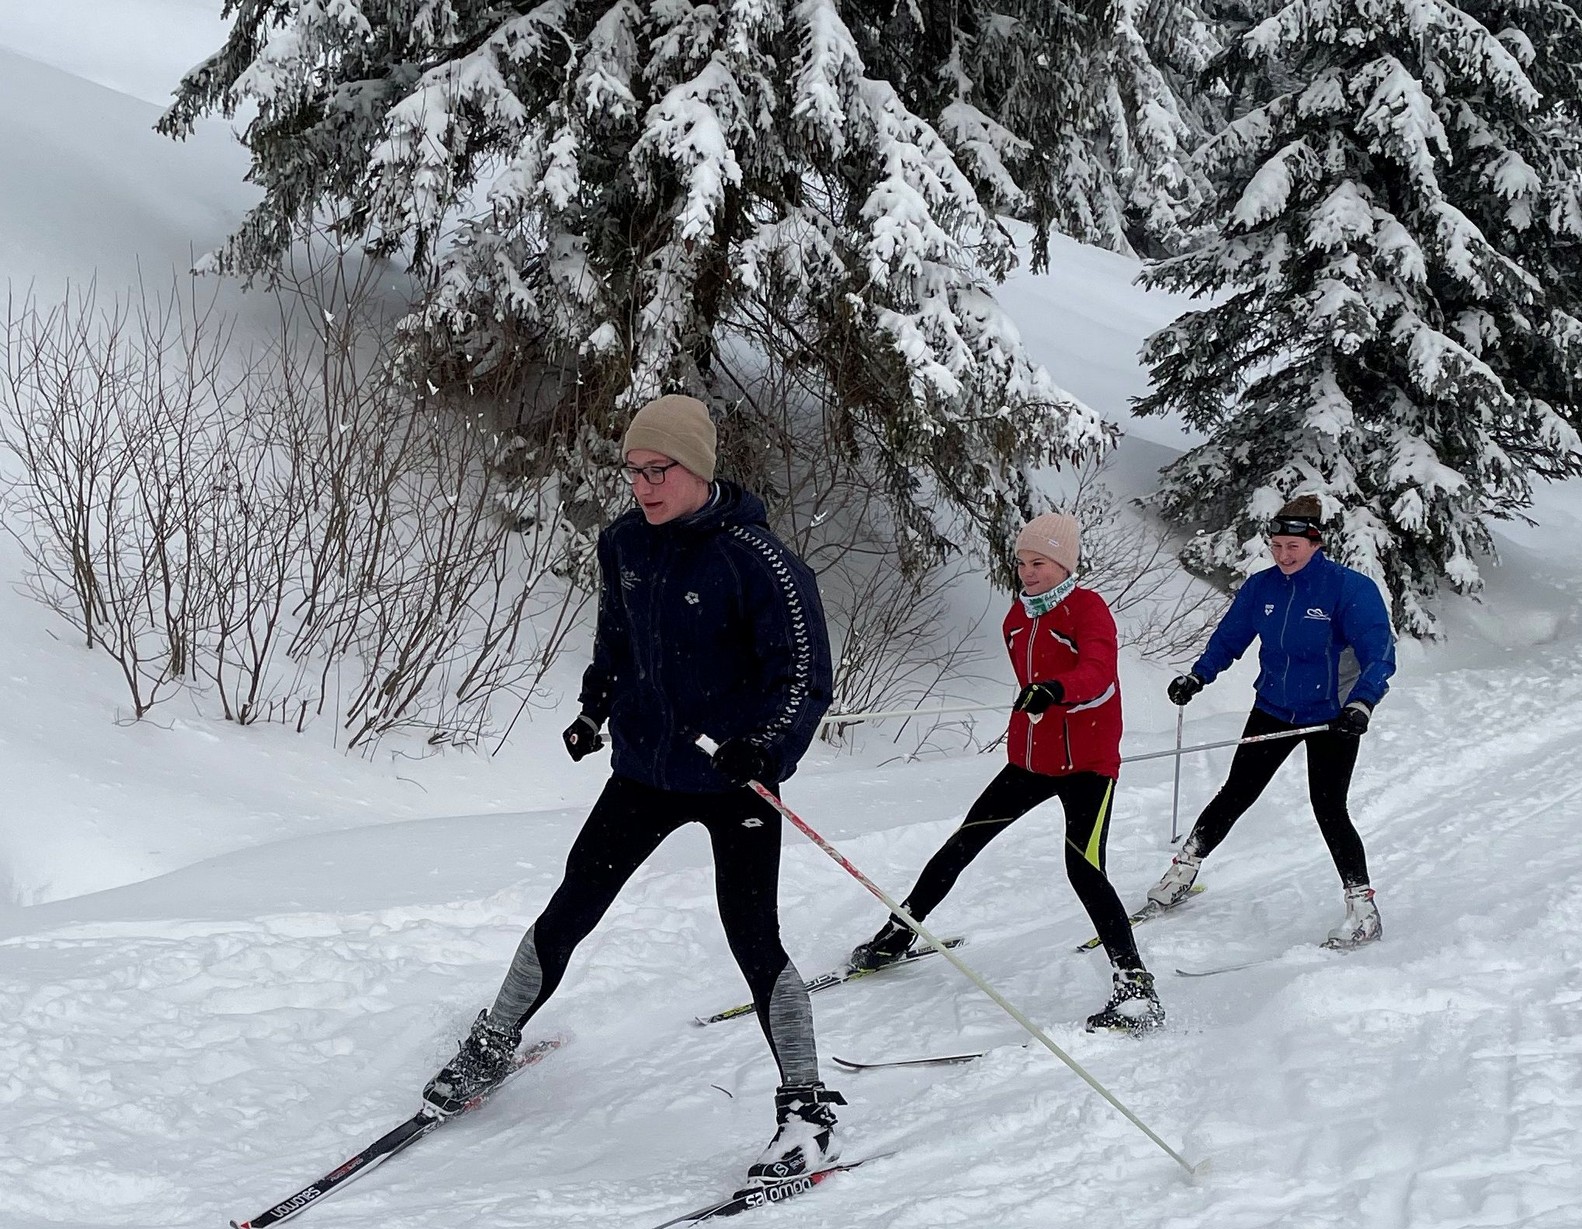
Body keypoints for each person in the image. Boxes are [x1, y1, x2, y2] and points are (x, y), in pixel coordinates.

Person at [422, 394, 840, 1184]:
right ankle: (494, 1039)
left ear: (699, 469)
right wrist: (595, 709)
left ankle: (807, 1110)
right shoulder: (624, 542)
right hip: (646, 769)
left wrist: (764, 749)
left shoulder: (760, 560)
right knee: (571, 905)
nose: (644, 487)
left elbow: (803, 677)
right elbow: (617, 638)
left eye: (660, 471)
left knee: (753, 936)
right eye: (635, 471)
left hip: (732, 781)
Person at [848, 512, 1165, 1033]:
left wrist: (1056, 690)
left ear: (1065, 565)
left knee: (1084, 869)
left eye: (1039, 563)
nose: (1027, 572)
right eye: (1021, 562)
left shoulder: (1088, 609)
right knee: (963, 842)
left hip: (1087, 765)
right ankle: (898, 933)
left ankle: (1134, 986)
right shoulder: (1017, 618)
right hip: (1030, 762)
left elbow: (1098, 674)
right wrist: (1036, 705)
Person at [1147, 494, 1396, 947]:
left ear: (1316, 544)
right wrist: (1198, 676)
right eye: (1277, 546)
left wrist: (1362, 703)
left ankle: (1363, 908)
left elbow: (1378, 653)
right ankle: (1182, 871)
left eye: (1293, 547)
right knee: (1236, 791)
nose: (1283, 555)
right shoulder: (1262, 587)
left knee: (1329, 807)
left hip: (1333, 716)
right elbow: (1230, 637)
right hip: (1274, 707)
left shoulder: (1349, 589)